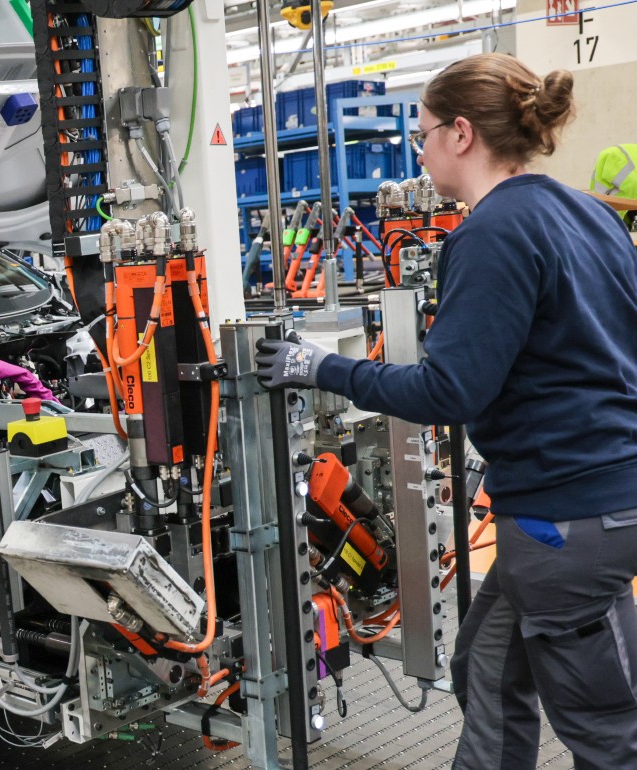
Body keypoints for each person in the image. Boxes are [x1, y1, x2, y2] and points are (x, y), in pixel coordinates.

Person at [255, 53, 637, 769]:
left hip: (565, 521)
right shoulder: (589, 213)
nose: (420, 153)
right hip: (587, 507)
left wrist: (322, 367)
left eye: (424, 135)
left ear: (462, 134)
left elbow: (449, 392)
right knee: (485, 668)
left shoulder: (492, 233)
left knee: (607, 732)